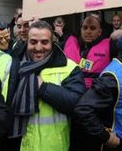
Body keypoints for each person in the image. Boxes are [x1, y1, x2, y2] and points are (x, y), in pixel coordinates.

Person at [9, 20, 85, 151]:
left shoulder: (69, 67)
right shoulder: (13, 65)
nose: (38, 47)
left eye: (44, 42)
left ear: (53, 43)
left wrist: (43, 88)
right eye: (33, 42)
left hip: (54, 146)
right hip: (21, 145)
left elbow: (77, 103)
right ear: (27, 41)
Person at [64, 16, 113, 88]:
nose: (88, 31)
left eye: (92, 28)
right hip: (70, 88)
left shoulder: (111, 46)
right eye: (85, 28)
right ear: (81, 30)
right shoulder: (69, 43)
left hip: (97, 92)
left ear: (99, 32)